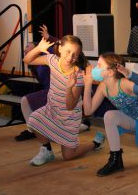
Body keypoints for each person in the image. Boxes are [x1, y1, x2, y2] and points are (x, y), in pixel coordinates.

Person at [23, 35, 105, 166]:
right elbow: (27, 60)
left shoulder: (77, 76)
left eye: (75, 54)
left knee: (68, 156)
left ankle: (95, 144)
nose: (71, 57)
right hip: (51, 110)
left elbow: (70, 106)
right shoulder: (52, 60)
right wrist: (38, 48)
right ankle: (47, 150)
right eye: (68, 51)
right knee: (33, 120)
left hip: (69, 117)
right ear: (60, 49)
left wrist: (69, 88)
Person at [82, 53, 138, 176]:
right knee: (109, 116)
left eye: (99, 65)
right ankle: (115, 160)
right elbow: (88, 111)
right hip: (133, 120)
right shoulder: (103, 87)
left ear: (110, 72)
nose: (95, 68)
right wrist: (87, 84)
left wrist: (131, 75)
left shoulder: (124, 83)